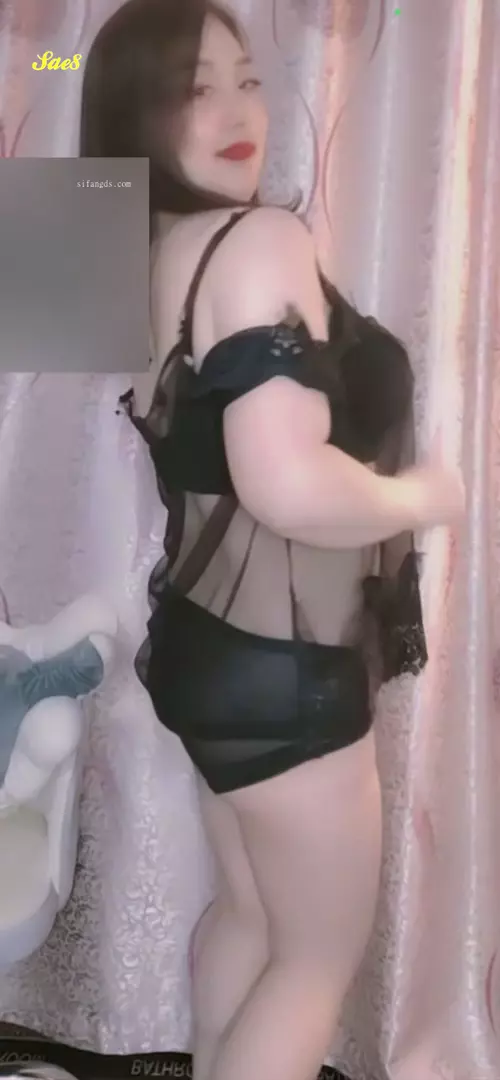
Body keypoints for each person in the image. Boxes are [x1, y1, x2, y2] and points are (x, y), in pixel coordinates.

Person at [80, 3, 465, 1079]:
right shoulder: (256, 240)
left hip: (205, 649)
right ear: (137, 112)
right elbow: (284, 483)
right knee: (312, 961)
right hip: (280, 669)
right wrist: (423, 496)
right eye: (193, 88)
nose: (238, 110)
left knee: (251, 916)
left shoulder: (146, 253)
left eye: (246, 79)